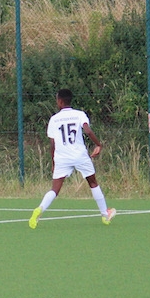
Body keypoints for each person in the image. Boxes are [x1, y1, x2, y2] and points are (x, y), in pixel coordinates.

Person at [29, 88, 115, 229]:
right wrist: (98, 145)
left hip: (62, 157)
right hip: (79, 155)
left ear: (60, 101)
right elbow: (87, 130)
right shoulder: (79, 114)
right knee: (93, 183)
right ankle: (105, 215)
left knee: (55, 189)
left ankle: (40, 209)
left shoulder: (54, 119)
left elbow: (52, 144)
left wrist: (53, 162)